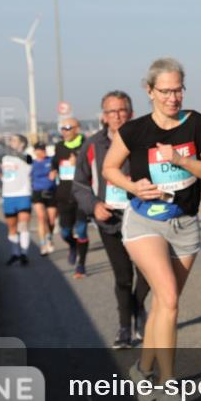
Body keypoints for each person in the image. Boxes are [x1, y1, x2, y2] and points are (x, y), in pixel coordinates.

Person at [103, 58, 201, 401]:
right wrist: (133, 187)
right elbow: (110, 169)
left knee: (162, 307)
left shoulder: (195, 123)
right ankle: (169, 383)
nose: (173, 97)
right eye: (166, 91)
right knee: (168, 299)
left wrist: (183, 160)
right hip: (144, 223)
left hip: (184, 224)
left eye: (178, 89)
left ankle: (141, 369)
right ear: (150, 91)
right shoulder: (135, 131)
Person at [75, 90, 152, 350]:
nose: (117, 115)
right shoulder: (92, 146)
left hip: (142, 217)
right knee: (122, 277)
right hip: (110, 220)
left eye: (122, 110)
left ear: (131, 113)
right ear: (104, 117)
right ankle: (124, 327)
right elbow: (79, 184)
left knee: (148, 275)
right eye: (111, 111)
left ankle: (139, 307)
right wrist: (94, 205)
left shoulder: (145, 140)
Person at [52, 118, 91, 277]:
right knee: (65, 233)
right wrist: (53, 170)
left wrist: (79, 164)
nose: (65, 131)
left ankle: (81, 265)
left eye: (68, 128)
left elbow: (94, 168)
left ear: (77, 129)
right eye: (63, 128)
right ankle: (72, 246)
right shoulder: (59, 146)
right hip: (64, 195)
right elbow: (55, 163)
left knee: (81, 230)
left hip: (82, 195)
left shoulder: (86, 145)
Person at [0, 134, 34, 266]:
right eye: (10, 140)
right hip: (8, 195)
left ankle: (24, 253)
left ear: (22, 144)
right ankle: (15, 253)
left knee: (23, 225)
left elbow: (28, 161)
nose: (10, 142)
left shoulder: (27, 157)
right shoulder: (5, 158)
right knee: (12, 227)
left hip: (23, 194)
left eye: (14, 140)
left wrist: (15, 151)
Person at [30, 142, 57, 255]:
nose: (42, 151)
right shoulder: (31, 163)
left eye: (44, 149)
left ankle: (49, 238)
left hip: (51, 191)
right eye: (40, 149)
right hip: (38, 192)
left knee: (51, 220)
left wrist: (55, 172)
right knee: (41, 218)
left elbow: (59, 166)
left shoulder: (51, 160)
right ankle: (42, 244)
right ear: (35, 151)